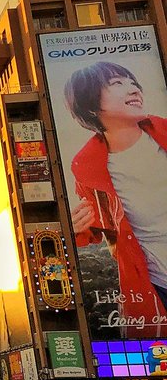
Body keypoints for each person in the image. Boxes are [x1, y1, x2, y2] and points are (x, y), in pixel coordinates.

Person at [66, 61, 167, 338]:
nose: (133, 88)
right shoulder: (89, 168)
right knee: (151, 368)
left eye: (132, 81)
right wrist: (73, 231)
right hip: (156, 288)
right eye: (117, 84)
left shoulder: (164, 131)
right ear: (91, 106)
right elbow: (95, 233)